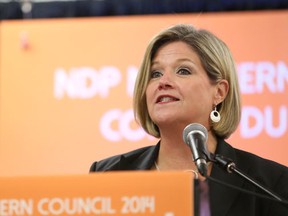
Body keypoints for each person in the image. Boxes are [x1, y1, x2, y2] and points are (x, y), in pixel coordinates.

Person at [90, 24, 288, 215]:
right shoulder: (108, 174)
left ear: (219, 92)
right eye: (155, 73)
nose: (163, 82)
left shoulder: (270, 184)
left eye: (183, 71)